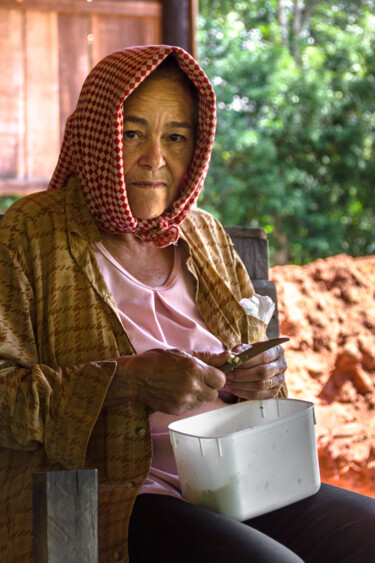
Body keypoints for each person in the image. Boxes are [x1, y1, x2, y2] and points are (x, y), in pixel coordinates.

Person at [0, 45, 374, 563]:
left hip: (241, 477)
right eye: (131, 133)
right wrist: (127, 380)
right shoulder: (31, 233)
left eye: (176, 137)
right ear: (95, 136)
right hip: (114, 496)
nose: (156, 158)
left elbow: (264, 365)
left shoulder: (204, 235)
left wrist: (258, 377)